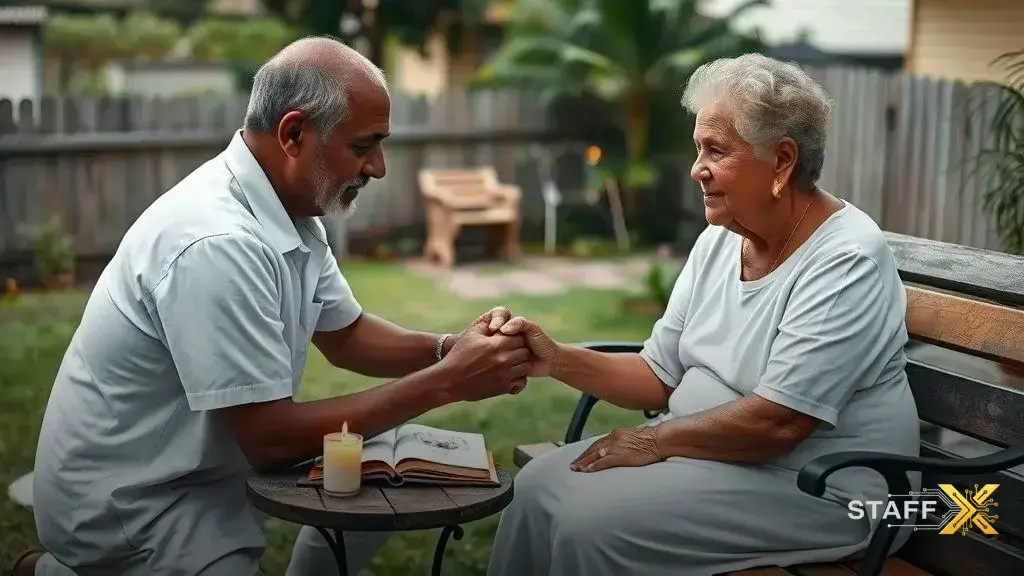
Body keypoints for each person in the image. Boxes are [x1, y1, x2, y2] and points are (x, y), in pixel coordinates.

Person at [12, 36, 531, 576]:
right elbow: (270, 439)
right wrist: (449, 381)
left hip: (194, 477)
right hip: (130, 504)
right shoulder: (216, 242)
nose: (378, 167)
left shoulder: (288, 210)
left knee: (383, 460)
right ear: (294, 134)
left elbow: (347, 336)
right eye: (363, 146)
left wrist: (452, 348)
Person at [483, 53, 921, 576]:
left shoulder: (845, 260)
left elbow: (779, 423)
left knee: (591, 527)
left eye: (716, 150)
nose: (696, 169)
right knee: (535, 488)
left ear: (782, 161)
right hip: (716, 459)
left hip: (823, 486)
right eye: (698, 148)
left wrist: (653, 440)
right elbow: (658, 374)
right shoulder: (722, 239)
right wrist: (555, 359)